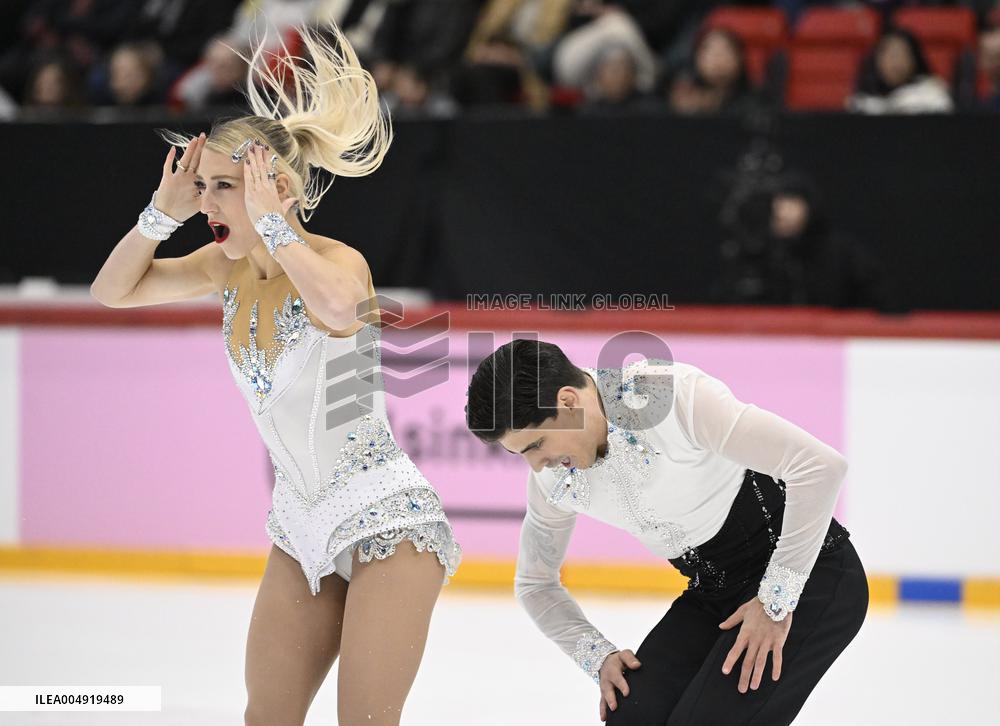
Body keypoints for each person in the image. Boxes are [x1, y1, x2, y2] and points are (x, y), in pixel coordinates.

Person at [90, 25, 461, 726]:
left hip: (390, 522)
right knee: (266, 717)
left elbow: (342, 309)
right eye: (203, 189)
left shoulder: (336, 259)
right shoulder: (219, 267)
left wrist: (278, 227)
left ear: (276, 187)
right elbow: (112, 291)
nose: (209, 205)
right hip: (299, 525)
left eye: (223, 188)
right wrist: (158, 217)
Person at [465, 340, 868, 725]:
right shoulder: (555, 481)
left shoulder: (665, 396)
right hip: (715, 594)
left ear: (568, 402)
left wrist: (775, 603)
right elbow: (536, 583)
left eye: (536, 445)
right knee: (633, 716)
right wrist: (597, 656)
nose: (538, 466)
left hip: (813, 575)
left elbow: (819, 467)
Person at [847, 26, 953, 114]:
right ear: (876, 59)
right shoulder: (861, 102)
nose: (896, 62)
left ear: (914, 60)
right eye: (891, 55)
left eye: (903, 55)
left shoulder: (932, 96)